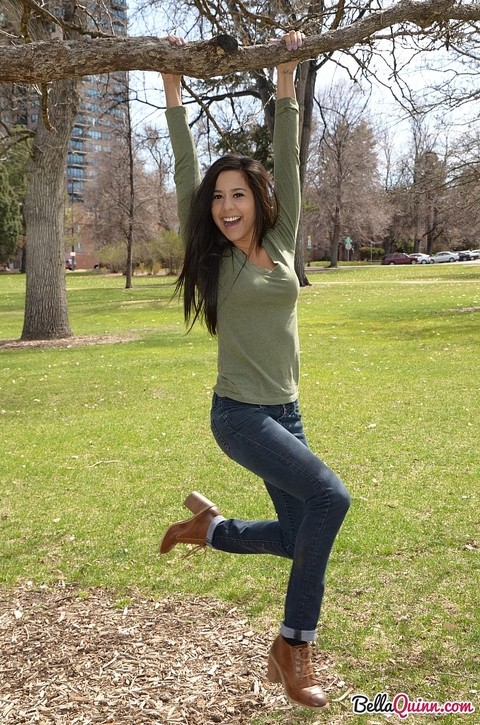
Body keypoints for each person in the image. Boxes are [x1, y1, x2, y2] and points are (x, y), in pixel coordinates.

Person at [159, 30, 350, 710]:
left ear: (257, 198)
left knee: (301, 535)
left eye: (237, 193)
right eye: (218, 198)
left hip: (286, 411)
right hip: (239, 415)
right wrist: (173, 86)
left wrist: (286, 76)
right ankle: (293, 645)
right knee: (333, 498)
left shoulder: (282, 235)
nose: (227, 205)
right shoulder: (215, 258)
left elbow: (291, 157)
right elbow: (187, 168)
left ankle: (206, 529)